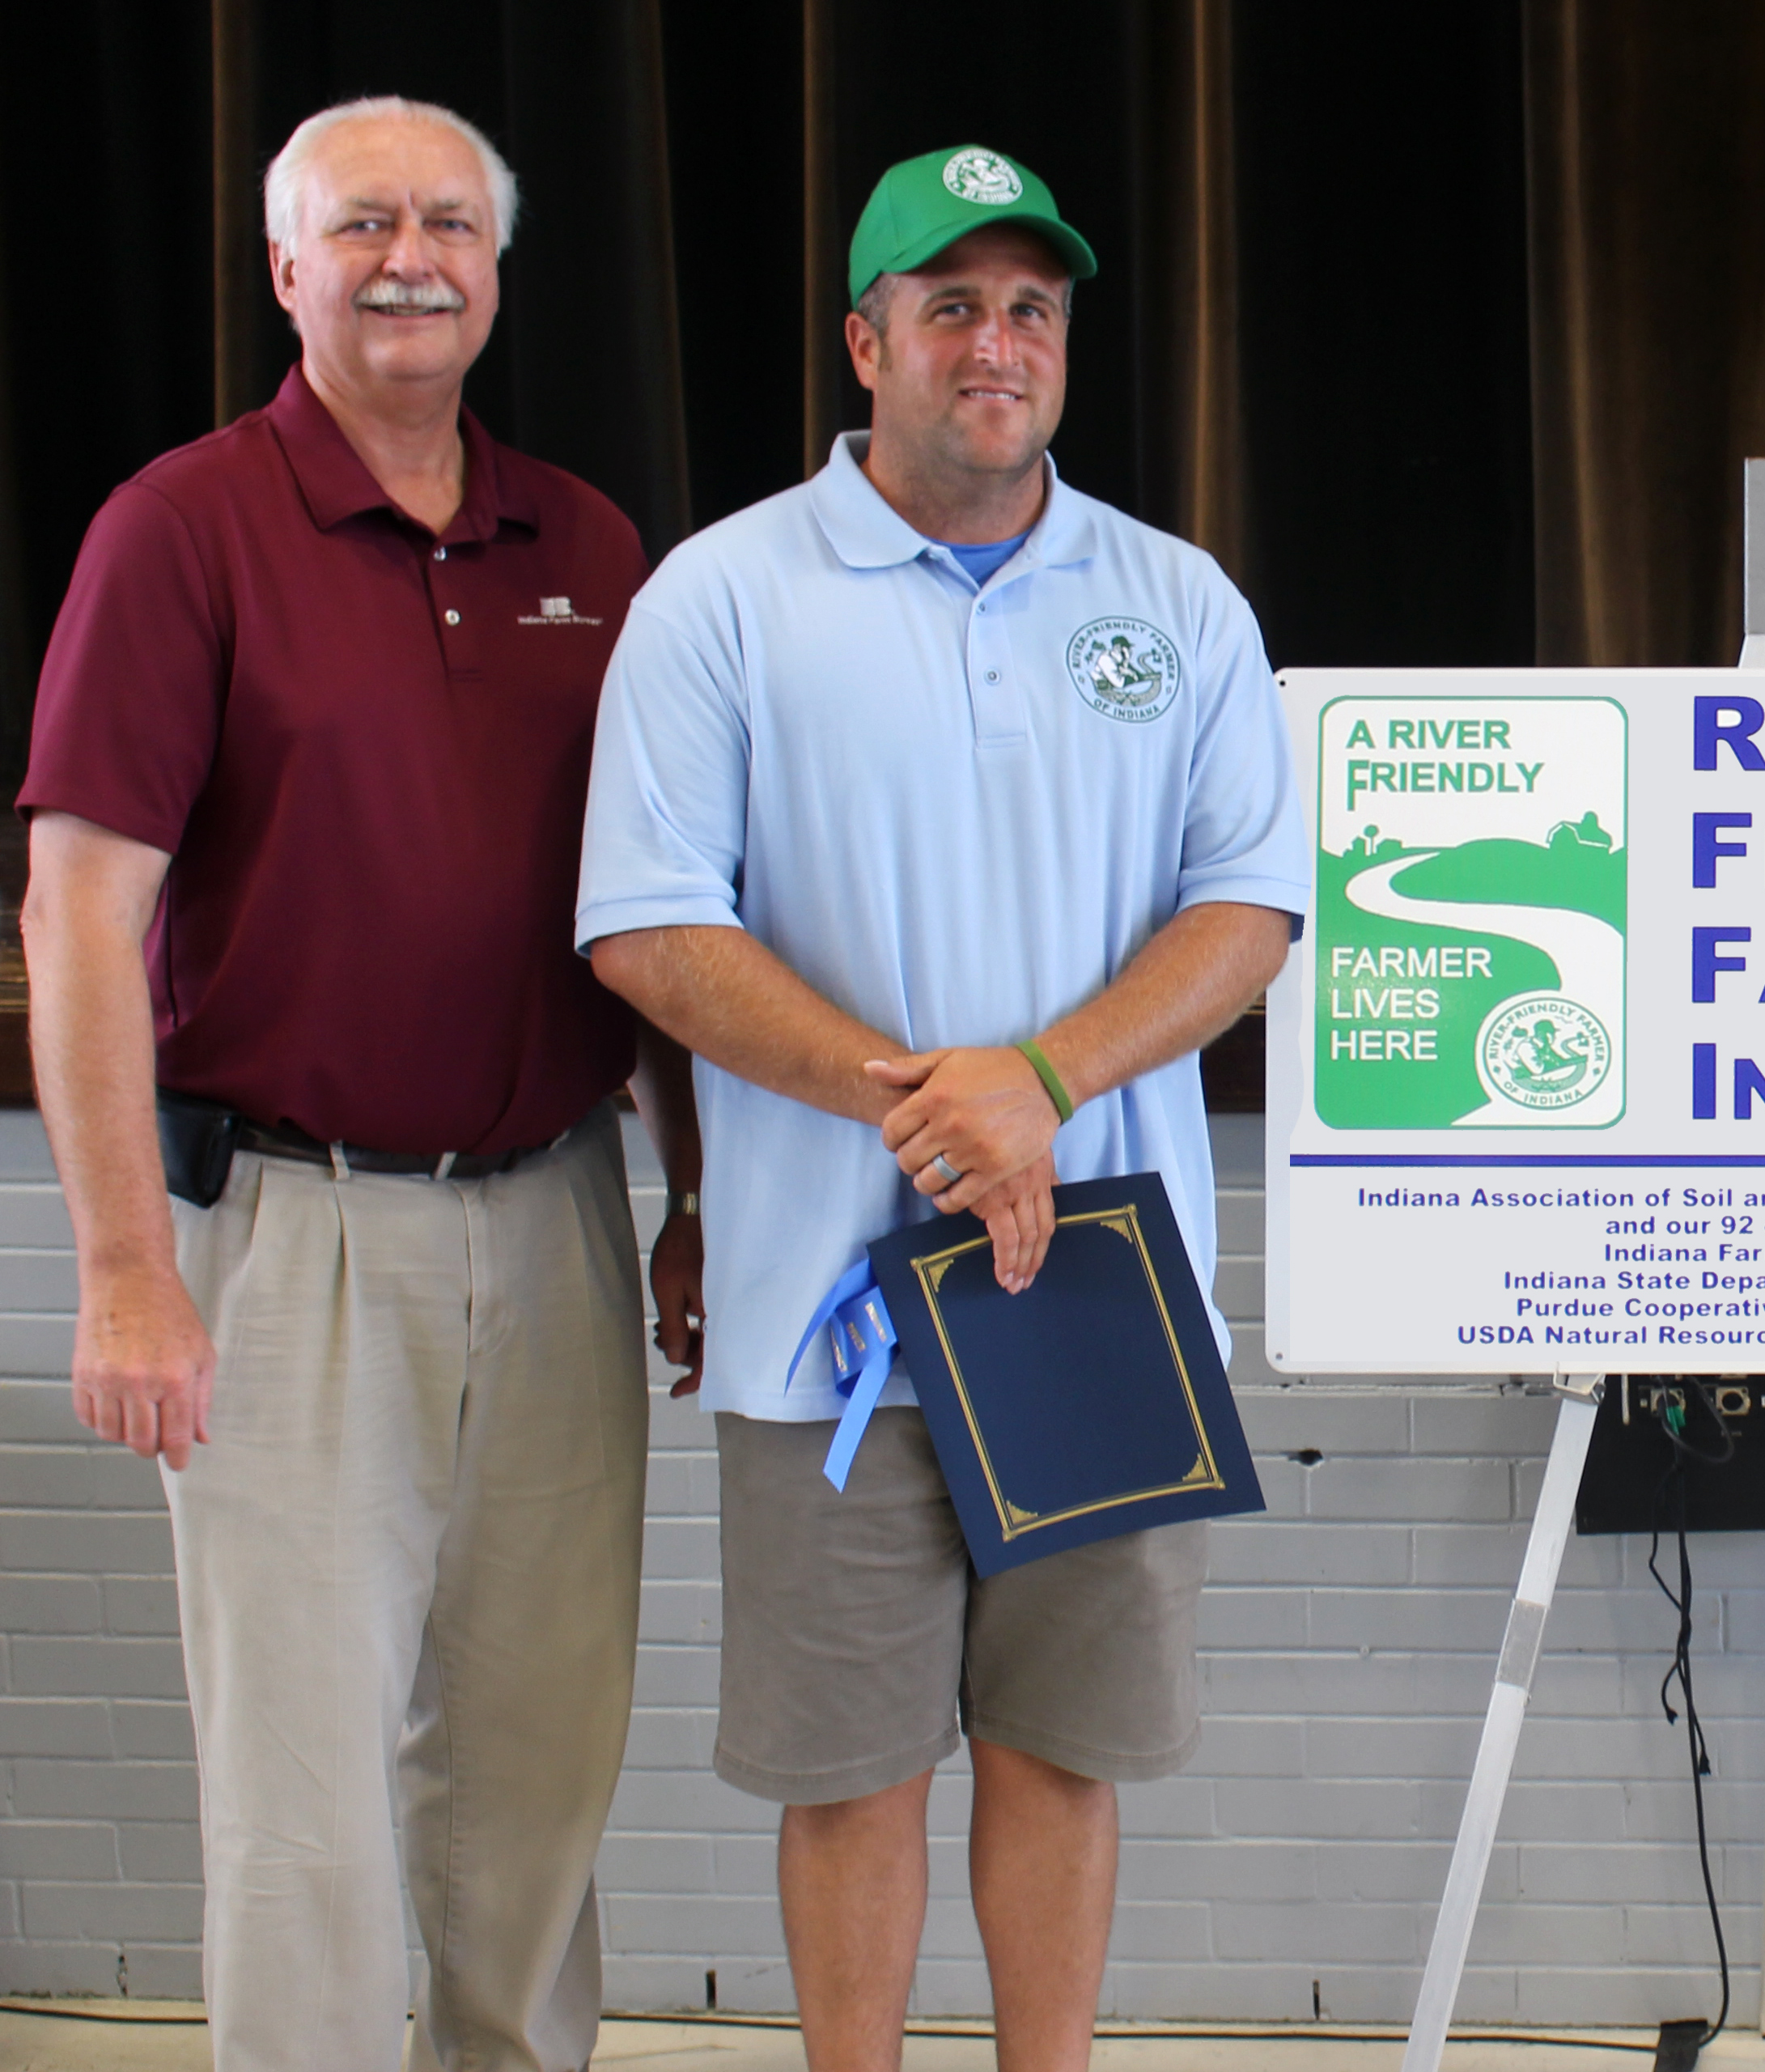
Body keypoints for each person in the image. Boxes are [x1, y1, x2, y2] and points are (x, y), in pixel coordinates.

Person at [575, 143, 1305, 2070]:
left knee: (1062, 1754)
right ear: (865, 339)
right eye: (953, 305)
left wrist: (1041, 1081)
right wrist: (935, 1105)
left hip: (1096, 1287)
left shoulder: (1178, 599)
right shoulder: (721, 597)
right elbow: (649, 928)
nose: (998, 343)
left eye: (1032, 309)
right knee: (854, 1772)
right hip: (828, 1299)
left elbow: (1251, 906)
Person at [16, 96, 702, 2071]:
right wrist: (127, 1265)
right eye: (363, 223)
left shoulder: (587, 544)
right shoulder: (180, 528)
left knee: (535, 1774)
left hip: (559, 1215)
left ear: (497, 268)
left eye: (451, 225)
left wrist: (692, 1190)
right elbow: (77, 916)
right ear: (284, 267)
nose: (412, 256)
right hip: (290, 1236)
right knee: (304, 1802)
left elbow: (653, 911)